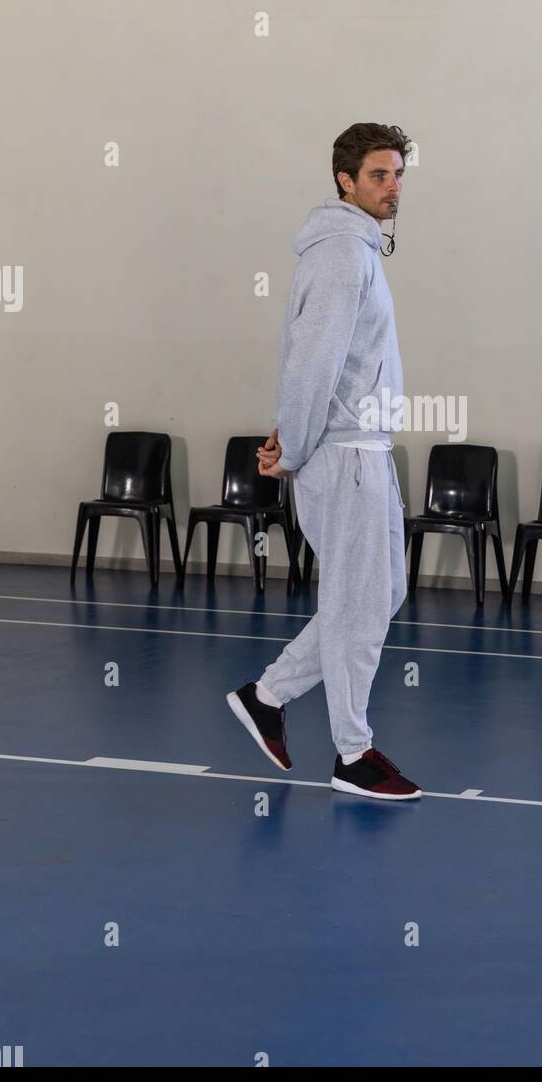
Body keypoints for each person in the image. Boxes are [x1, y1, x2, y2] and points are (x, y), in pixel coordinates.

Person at [226, 123, 421, 801]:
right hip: (342, 459)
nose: (392, 186)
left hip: (360, 452)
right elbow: (312, 363)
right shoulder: (342, 252)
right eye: (378, 175)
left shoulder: (357, 249)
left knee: (376, 595)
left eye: (397, 173)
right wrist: (298, 447)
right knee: (359, 604)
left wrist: (293, 439)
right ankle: (351, 753)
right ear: (345, 179)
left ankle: (267, 696)